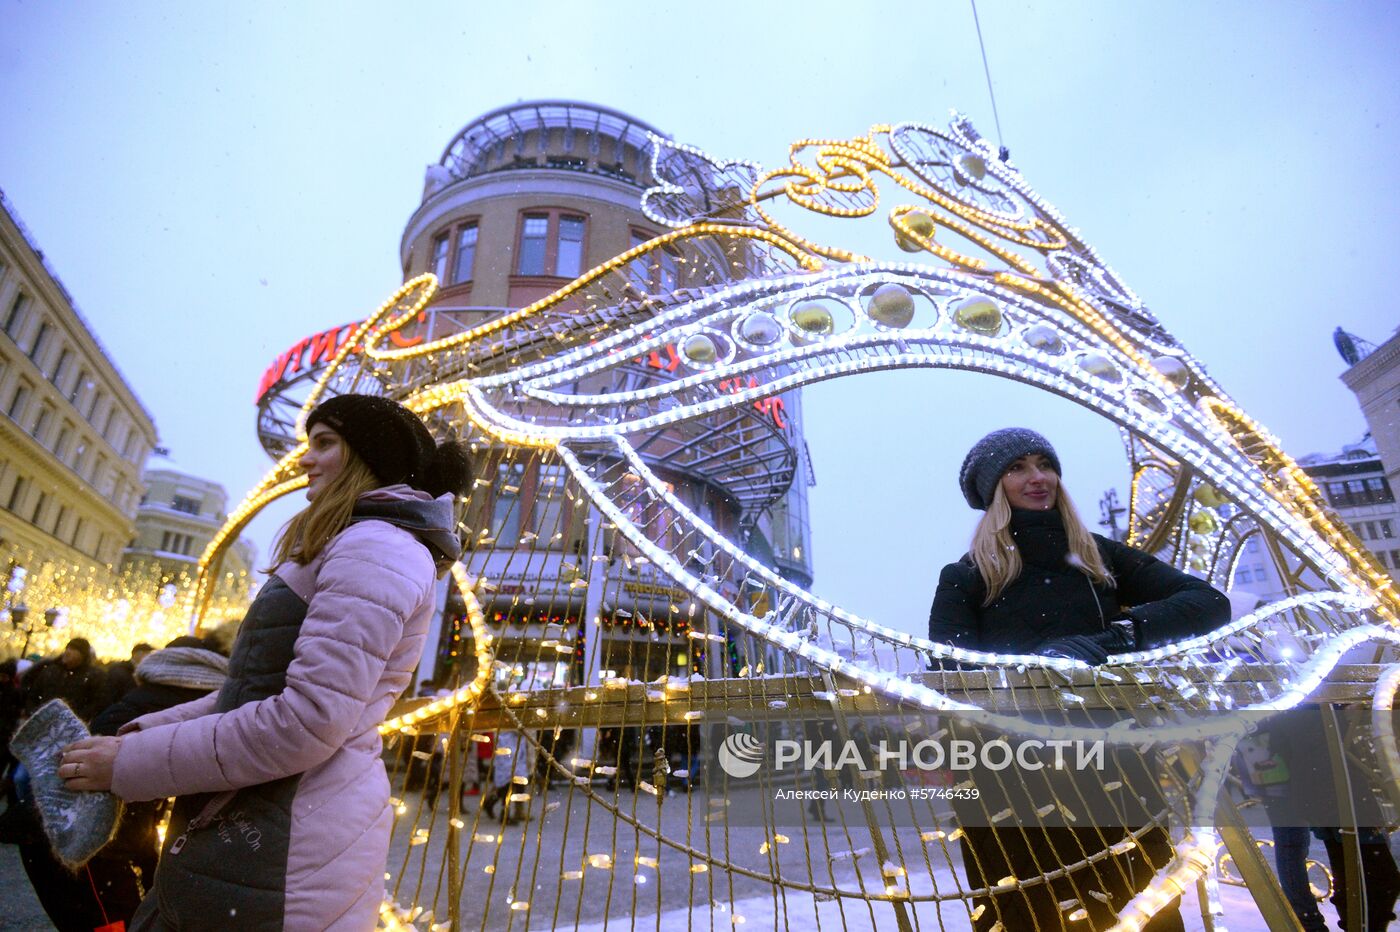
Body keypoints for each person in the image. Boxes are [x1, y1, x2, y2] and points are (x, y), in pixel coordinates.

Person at [58, 394, 472, 931]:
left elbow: (306, 721)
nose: (305, 459)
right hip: (266, 827)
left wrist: (127, 765)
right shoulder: (357, 542)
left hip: (287, 840)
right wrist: (136, 740)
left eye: (325, 443)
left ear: (370, 458)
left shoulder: (376, 548)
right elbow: (253, 692)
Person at [928, 428, 1230, 931]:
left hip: (1113, 768)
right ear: (994, 488)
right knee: (1031, 915)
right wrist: (1034, 669)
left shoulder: (1100, 558)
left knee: (1142, 909)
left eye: (1044, 464)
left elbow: (1208, 603)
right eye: (1017, 468)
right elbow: (949, 675)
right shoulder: (967, 576)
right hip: (1012, 782)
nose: (1038, 477)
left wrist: (1115, 638)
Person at [22, 637, 106, 722]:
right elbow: (34, 694)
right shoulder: (50, 670)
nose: (68, 652)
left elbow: (96, 704)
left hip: (69, 723)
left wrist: (77, 719)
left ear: (83, 655)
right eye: (67, 648)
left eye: (73, 649)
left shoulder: (93, 676)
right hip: (43, 721)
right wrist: (33, 713)